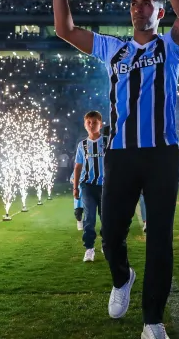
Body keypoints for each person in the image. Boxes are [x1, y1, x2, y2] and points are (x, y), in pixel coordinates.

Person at [51, 0, 179, 337]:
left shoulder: (170, 47)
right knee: (111, 236)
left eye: (146, 3)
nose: (138, 8)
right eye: (133, 3)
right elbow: (65, 30)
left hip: (162, 154)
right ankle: (121, 279)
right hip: (122, 155)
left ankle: (152, 322)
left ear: (158, 12)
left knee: (159, 240)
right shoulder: (114, 48)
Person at [73, 111, 107, 263]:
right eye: (89, 122)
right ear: (85, 125)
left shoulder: (107, 142)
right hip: (87, 186)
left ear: (101, 124)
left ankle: (106, 246)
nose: (92, 125)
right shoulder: (82, 145)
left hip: (106, 186)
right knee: (89, 217)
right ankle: (89, 248)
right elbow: (78, 167)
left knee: (106, 218)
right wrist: (75, 187)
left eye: (94, 122)